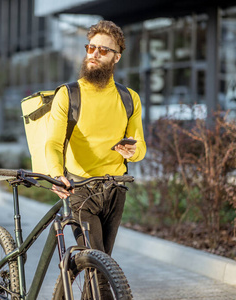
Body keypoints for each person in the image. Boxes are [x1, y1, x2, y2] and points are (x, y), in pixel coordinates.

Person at [45, 20, 146, 294]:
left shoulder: (129, 98)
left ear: (117, 57)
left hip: (115, 189)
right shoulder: (68, 94)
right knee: (102, 269)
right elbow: (53, 142)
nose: (94, 54)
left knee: (101, 262)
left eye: (103, 50)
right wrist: (56, 173)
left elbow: (141, 147)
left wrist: (132, 150)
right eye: (91, 47)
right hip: (79, 189)